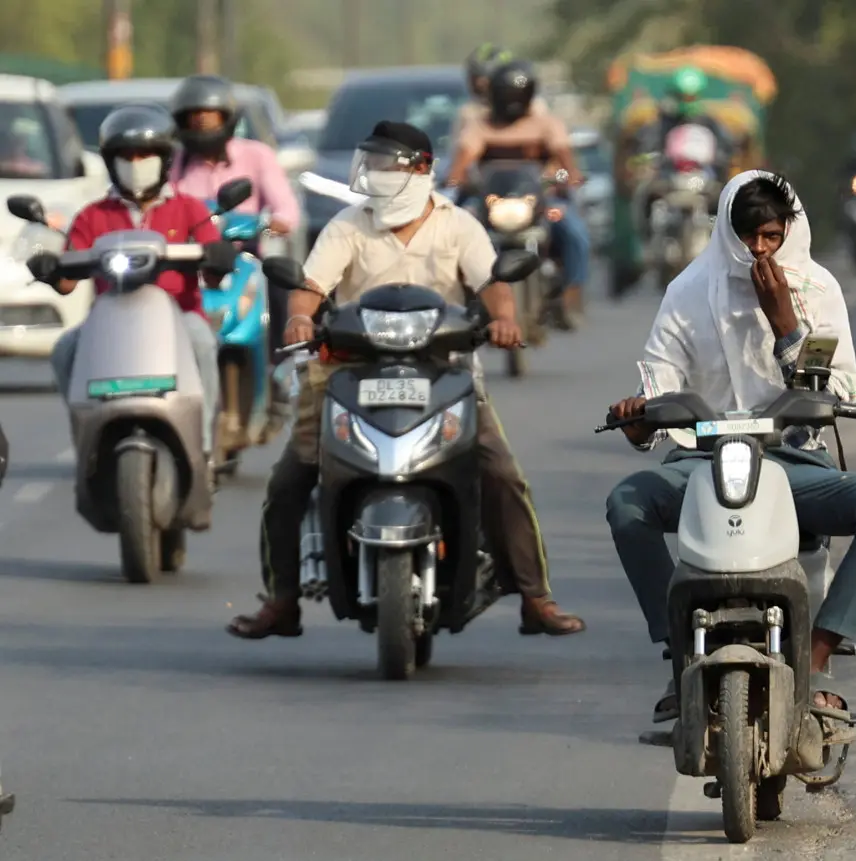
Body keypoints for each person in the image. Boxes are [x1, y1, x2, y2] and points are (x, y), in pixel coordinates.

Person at [227, 120, 586, 640]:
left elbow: (492, 284)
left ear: (420, 170)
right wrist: (300, 318)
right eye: (368, 164)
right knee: (291, 477)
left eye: (382, 164)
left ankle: (535, 596)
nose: (371, 175)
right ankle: (282, 599)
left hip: (444, 370)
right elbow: (310, 285)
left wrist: (504, 319)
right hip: (346, 368)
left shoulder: (458, 224)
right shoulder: (348, 225)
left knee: (501, 473)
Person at [604, 171, 856, 722]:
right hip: (702, 461)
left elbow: (838, 390)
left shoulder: (817, 291)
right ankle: (680, 656)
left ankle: (815, 659)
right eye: (748, 237)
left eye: (771, 236)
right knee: (627, 503)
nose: (760, 250)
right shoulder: (688, 291)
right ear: (725, 231)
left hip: (791, 460)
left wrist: (786, 326)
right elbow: (658, 386)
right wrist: (639, 419)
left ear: (788, 230)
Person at [45, 104, 233, 462]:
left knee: (204, 344)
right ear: (111, 161)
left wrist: (219, 258)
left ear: (163, 160)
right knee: (64, 350)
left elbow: (211, 270)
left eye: (145, 154)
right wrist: (52, 268)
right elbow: (68, 282)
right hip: (109, 320)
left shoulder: (190, 209)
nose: (135, 162)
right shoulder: (93, 215)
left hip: (179, 315)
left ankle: (203, 442)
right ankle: (87, 436)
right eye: (126, 156)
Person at [167, 74, 303, 417]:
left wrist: (277, 222)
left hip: (244, 256)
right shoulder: (175, 165)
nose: (200, 124)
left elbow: (286, 208)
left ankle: (279, 368)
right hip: (192, 260)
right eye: (192, 117)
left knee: (277, 286)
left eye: (208, 116)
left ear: (226, 119)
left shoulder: (256, 156)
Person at [446, 59, 590, 332]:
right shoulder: (480, 126)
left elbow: (568, 164)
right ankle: (457, 299)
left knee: (575, 232)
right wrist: (458, 178)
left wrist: (567, 178)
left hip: (543, 202)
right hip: (490, 204)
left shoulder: (546, 124)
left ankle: (570, 297)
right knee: (453, 230)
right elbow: (461, 165)